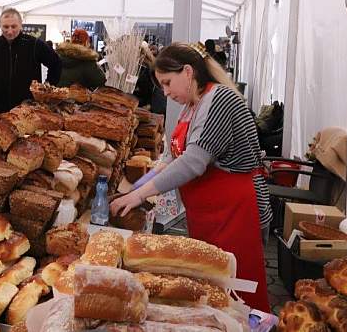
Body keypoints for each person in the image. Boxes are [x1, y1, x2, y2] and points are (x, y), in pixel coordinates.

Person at [109, 42, 272, 312]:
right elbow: (173, 157)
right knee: (213, 287)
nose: (165, 92)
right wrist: (135, 186)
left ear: (187, 72)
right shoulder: (193, 105)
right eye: (161, 86)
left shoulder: (219, 100)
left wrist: (139, 193)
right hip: (210, 213)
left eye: (168, 82)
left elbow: (193, 162)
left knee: (237, 289)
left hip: (235, 211)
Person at [0, 8, 61, 112]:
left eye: (14, 26)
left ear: (21, 25)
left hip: (28, 108)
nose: (9, 31)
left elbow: (56, 63)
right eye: (5, 27)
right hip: (0, 107)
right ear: (0, 26)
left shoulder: (34, 44)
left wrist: (47, 87)